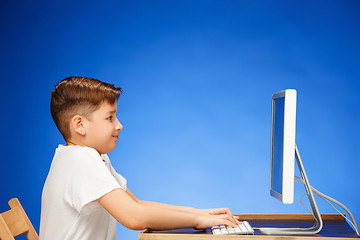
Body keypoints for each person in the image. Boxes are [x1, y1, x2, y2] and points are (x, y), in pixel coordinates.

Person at [39, 76, 240, 240]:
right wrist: (196, 219)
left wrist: (201, 214)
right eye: (110, 118)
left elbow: (137, 204)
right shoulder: (79, 160)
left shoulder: (92, 157)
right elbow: (134, 217)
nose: (119, 125)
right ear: (80, 125)